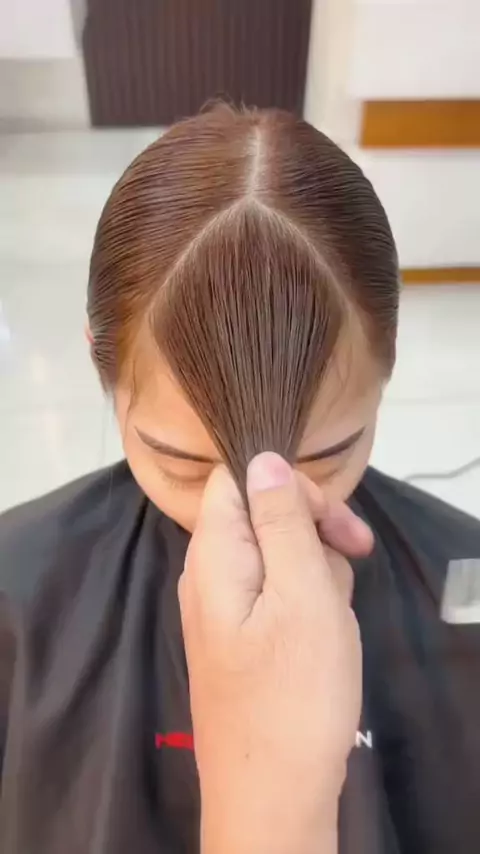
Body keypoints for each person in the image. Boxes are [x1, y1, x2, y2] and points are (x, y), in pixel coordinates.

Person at [0, 104, 479, 854]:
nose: (252, 517)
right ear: (100, 361)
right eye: (184, 463)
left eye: (323, 456)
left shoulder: (464, 579)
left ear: (389, 359)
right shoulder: (15, 597)